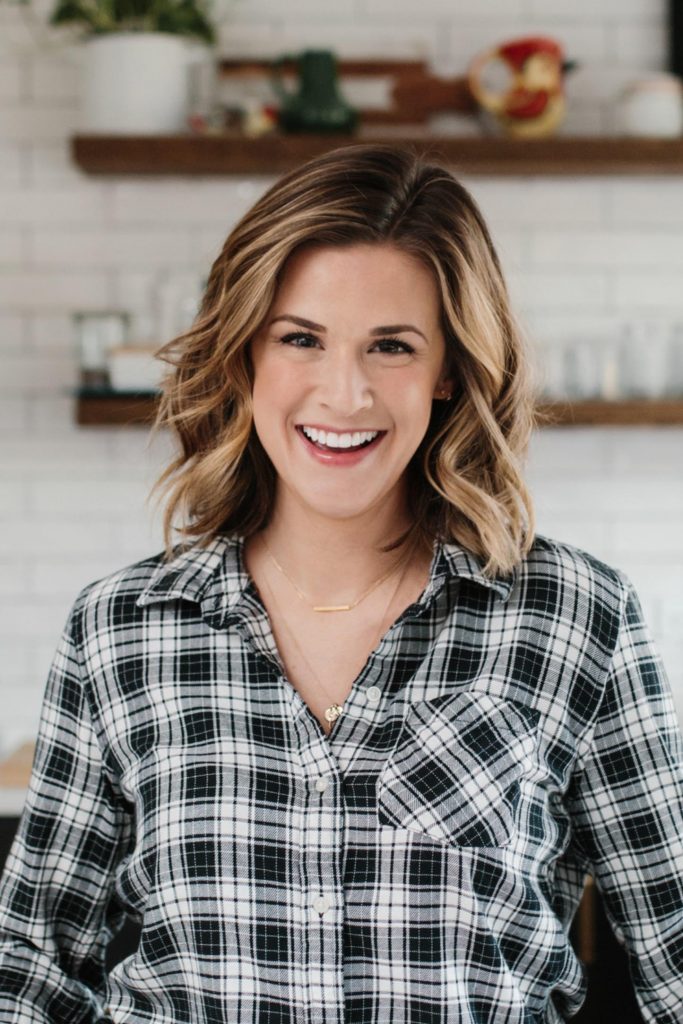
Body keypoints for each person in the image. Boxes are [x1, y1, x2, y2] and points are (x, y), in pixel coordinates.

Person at [0, 142, 681, 1024]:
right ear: (245, 355)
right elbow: (32, 959)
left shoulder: (571, 618)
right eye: (301, 339)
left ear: (449, 371)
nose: (344, 391)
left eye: (391, 346)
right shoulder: (121, 628)